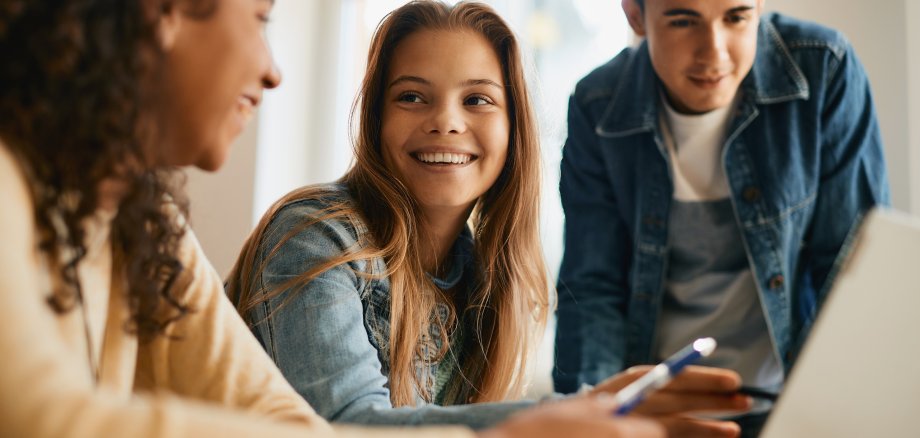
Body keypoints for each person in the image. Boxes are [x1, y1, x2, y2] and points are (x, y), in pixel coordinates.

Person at [0, 0, 667, 437]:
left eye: (478, 100)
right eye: (260, 18)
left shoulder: (147, 227)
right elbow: (49, 421)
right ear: (163, 12)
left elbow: (289, 423)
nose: (272, 71)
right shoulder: (8, 185)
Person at [226, 1, 749, 437]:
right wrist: (562, 417)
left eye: (477, 99)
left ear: (513, 129)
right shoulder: (316, 236)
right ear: (375, 119)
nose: (446, 122)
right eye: (411, 97)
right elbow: (346, 427)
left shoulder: (487, 277)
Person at [553, 0, 890, 435]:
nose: (714, 53)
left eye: (736, 17)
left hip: (790, 403)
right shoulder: (598, 104)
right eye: (682, 20)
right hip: (657, 411)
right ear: (635, 16)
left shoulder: (824, 70)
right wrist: (597, 415)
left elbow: (849, 274)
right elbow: (593, 289)